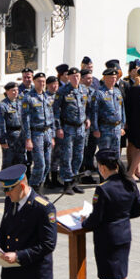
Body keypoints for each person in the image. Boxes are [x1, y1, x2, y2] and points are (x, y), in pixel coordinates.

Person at [87, 151, 140, 279]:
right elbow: (138, 209)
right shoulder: (130, 182)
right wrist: (122, 218)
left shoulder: (103, 189)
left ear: (103, 167)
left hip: (107, 239)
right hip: (124, 236)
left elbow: (96, 219)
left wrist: (83, 223)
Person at [54, 66, 89, 194]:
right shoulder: (62, 91)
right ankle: (67, 183)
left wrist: (87, 118)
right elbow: (56, 111)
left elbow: (87, 106)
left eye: (78, 76)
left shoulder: (84, 90)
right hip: (67, 127)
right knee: (67, 156)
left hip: (80, 128)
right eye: (73, 76)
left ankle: (75, 181)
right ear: (68, 77)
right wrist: (58, 128)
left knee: (78, 156)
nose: (76, 78)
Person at [123, 64, 140, 182]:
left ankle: (135, 171)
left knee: (135, 147)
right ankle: (130, 172)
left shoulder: (133, 87)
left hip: (133, 123)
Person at [0, 82, 28, 172]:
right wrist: (2, 140)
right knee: (8, 162)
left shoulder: (20, 103)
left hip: (21, 136)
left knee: (21, 161)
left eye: (17, 90)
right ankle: (6, 184)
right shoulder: (2, 106)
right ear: (7, 91)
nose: (15, 92)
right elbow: (0, 124)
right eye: (13, 90)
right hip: (10, 137)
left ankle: (18, 183)